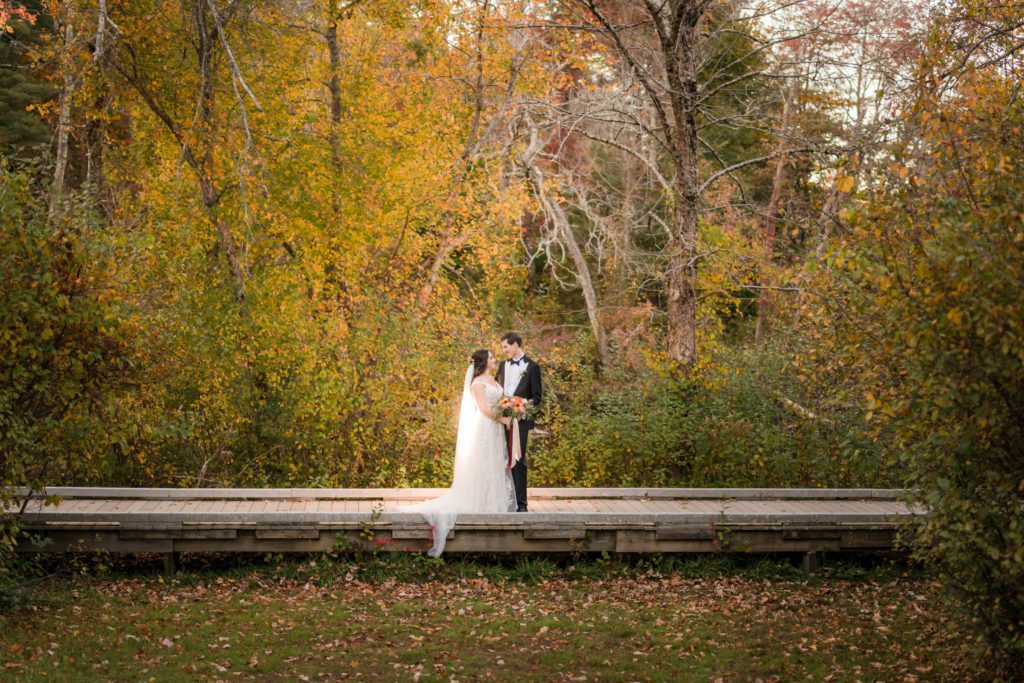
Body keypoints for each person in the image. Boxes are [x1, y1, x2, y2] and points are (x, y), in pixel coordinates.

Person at [399, 349, 516, 556]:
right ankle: (481, 504)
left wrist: (513, 408)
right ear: (483, 362)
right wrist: (504, 419)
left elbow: (500, 402)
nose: (494, 359)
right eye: (490, 357)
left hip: (496, 430)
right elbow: (484, 409)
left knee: (494, 464)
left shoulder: (493, 380)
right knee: (485, 464)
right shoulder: (477, 384)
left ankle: (493, 505)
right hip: (486, 429)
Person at [495, 332, 542, 512]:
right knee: (503, 459)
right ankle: (506, 501)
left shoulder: (532, 367)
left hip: (520, 422)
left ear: (515, 345)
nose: (504, 350)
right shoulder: (502, 365)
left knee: (519, 460)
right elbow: (498, 390)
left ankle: (521, 505)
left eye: (506, 347)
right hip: (501, 420)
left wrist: (523, 408)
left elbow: (537, 397)